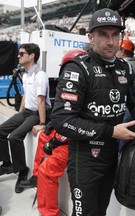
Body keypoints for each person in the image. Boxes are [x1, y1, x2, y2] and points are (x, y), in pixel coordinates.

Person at [50, 8, 135, 216]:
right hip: (84, 160)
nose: (111, 41)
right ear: (91, 37)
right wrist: (110, 131)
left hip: (111, 157)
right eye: (103, 35)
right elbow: (62, 120)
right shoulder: (77, 69)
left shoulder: (124, 68)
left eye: (115, 34)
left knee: (100, 212)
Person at [19, 49, 87, 216]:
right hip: (69, 136)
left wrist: (55, 140)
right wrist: (50, 126)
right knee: (43, 136)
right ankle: (36, 177)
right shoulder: (76, 86)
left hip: (78, 143)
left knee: (47, 170)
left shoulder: (83, 89)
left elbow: (74, 126)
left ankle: (50, 213)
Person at [0, 43, 51, 194]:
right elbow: (25, 96)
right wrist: (19, 114)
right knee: (1, 131)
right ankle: (8, 163)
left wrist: (42, 123)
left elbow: (41, 101)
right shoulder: (27, 74)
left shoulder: (40, 75)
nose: (18, 56)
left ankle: (22, 171)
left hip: (37, 114)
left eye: (21, 54)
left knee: (14, 137)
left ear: (32, 56)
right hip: (26, 112)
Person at [117, 39, 135, 150]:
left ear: (122, 51)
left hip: (126, 109)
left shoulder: (124, 66)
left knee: (121, 141)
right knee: (128, 140)